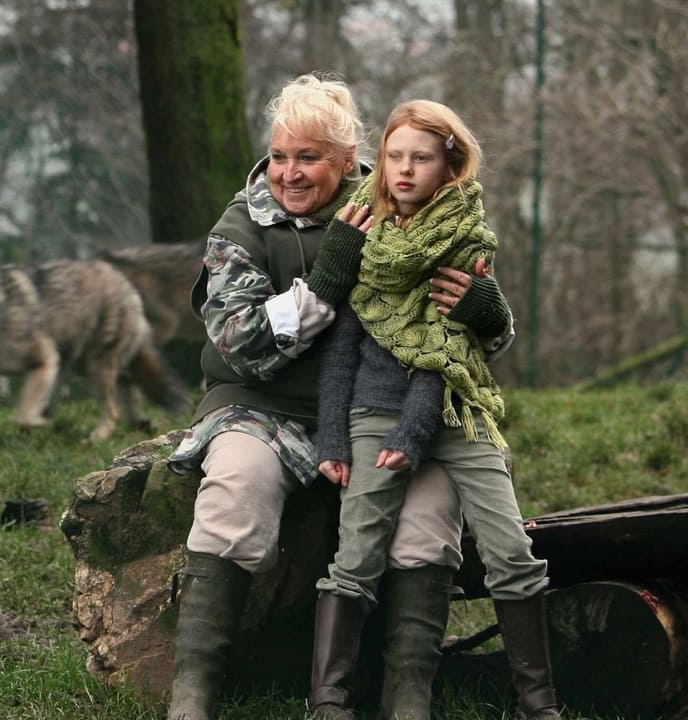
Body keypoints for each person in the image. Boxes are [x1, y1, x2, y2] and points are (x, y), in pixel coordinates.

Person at [164, 75, 515, 720]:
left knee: (428, 517)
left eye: (309, 158)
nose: (289, 174)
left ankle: (408, 697)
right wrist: (325, 281)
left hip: (387, 413)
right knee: (236, 485)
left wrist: (487, 314)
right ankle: (193, 693)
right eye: (279, 156)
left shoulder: (396, 208)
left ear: (347, 158)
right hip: (261, 407)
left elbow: (457, 337)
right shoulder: (240, 227)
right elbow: (240, 345)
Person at [311, 99, 561, 720]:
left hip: (454, 408)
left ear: (450, 166)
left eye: (421, 158)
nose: (403, 170)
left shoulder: (467, 240)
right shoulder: (363, 233)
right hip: (372, 413)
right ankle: (327, 699)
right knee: (357, 551)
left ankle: (540, 703)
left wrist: (486, 309)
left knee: (510, 550)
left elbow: (444, 353)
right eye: (394, 156)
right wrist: (332, 441)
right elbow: (338, 352)